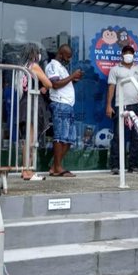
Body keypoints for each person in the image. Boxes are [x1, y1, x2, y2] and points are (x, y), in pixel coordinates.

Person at [106, 45, 138, 175]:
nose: (128, 54)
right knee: (118, 137)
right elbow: (111, 87)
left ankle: (133, 165)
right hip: (120, 106)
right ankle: (115, 166)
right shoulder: (115, 70)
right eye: (126, 52)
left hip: (137, 106)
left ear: (133, 55)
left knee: (136, 137)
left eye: (130, 52)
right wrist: (108, 105)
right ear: (122, 55)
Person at [46, 44, 83, 178]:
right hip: (60, 104)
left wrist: (75, 79)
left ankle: (55, 166)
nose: (68, 60)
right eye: (67, 57)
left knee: (69, 139)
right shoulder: (53, 66)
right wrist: (72, 76)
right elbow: (55, 84)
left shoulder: (62, 68)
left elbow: (63, 83)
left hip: (68, 105)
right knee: (60, 137)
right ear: (60, 54)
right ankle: (57, 168)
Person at [17, 42, 52, 181]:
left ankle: (26, 169)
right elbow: (48, 83)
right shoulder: (34, 66)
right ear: (34, 53)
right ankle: (27, 170)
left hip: (25, 101)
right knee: (31, 139)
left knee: (28, 138)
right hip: (32, 104)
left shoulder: (22, 68)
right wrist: (44, 87)